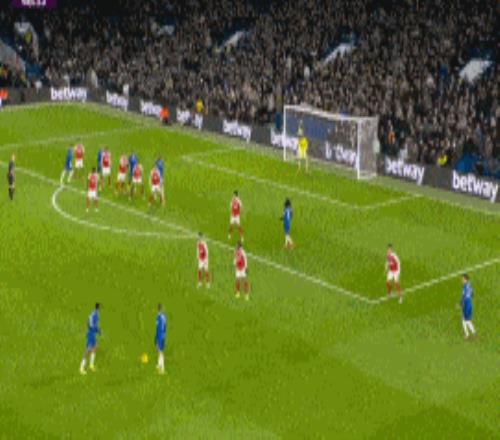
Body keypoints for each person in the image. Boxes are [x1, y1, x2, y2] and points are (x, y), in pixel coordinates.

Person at [80, 303, 101, 375]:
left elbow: (88, 323)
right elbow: (91, 325)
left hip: (92, 334)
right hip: (90, 335)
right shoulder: (94, 315)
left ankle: (91, 365)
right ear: (98, 308)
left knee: (95, 348)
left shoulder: (95, 314)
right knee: (88, 351)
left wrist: (96, 330)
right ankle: (81, 368)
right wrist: (97, 330)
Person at [459, 274, 476, 339]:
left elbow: (464, 297)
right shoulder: (469, 285)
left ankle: (468, 334)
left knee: (466, 320)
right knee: (465, 320)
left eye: (463, 279)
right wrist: (470, 297)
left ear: (466, 279)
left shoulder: (465, 287)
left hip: (466, 305)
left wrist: (461, 304)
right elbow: (472, 294)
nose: (462, 280)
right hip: (470, 304)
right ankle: (472, 333)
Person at [155, 303, 167, 375]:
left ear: (158, 310)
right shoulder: (164, 317)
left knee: (159, 350)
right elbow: (165, 327)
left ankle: (161, 368)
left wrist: (156, 338)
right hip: (163, 335)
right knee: (161, 350)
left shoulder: (158, 317)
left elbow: (157, 328)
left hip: (159, 335)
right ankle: (159, 365)